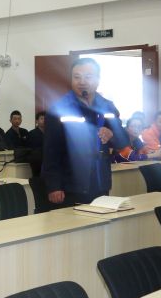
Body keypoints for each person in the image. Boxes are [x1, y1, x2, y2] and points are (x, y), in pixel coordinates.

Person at [42, 58, 127, 205]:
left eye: (88, 77)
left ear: (98, 79)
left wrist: (112, 134)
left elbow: (123, 140)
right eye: (77, 77)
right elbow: (51, 151)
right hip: (71, 185)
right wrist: (54, 186)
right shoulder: (59, 108)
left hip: (100, 182)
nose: (82, 82)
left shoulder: (107, 106)